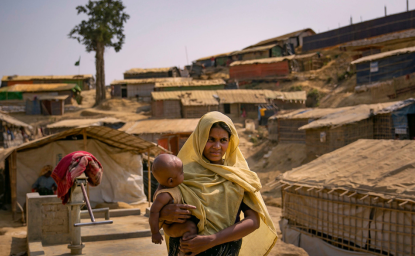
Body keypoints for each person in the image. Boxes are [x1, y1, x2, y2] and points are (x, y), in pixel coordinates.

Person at [157, 111, 277, 256]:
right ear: (200, 138)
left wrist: (213, 239)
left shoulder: (237, 176)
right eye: (210, 139)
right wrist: (163, 214)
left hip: (224, 250)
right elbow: (160, 202)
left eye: (223, 140)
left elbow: (253, 221)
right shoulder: (180, 173)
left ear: (230, 142)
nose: (217, 146)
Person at [149, 154, 197, 250]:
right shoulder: (164, 196)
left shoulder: (172, 186)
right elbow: (153, 212)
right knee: (191, 228)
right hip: (171, 226)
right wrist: (155, 233)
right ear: (171, 181)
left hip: (178, 222)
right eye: (181, 173)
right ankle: (184, 250)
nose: (184, 174)